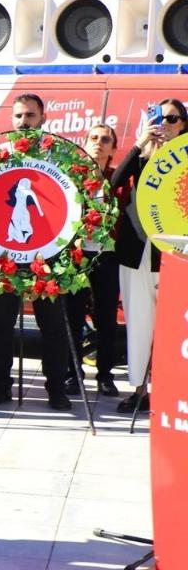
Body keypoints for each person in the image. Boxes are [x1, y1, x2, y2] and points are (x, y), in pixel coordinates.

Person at [0, 94, 74, 409]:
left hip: (48, 254)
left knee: (53, 326)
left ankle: (56, 390)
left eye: (30, 115)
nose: (23, 122)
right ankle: (0, 387)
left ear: (42, 118)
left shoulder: (58, 155)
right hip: (5, 252)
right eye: (18, 115)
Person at [111, 98, 187, 413]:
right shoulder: (144, 157)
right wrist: (140, 145)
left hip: (173, 255)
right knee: (139, 322)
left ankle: (171, 388)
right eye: (161, 118)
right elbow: (114, 183)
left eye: (173, 119)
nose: (166, 124)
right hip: (135, 252)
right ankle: (140, 390)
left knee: (173, 327)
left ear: (183, 124)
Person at [67, 123, 121, 400]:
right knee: (73, 314)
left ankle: (105, 376)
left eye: (105, 139)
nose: (99, 143)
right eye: (94, 138)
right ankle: (72, 373)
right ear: (85, 143)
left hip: (107, 256)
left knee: (106, 317)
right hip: (76, 255)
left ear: (113, 147)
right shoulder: (72, 177)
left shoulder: (117, 178)